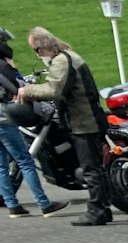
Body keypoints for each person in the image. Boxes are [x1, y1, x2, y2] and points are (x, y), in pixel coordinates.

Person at [12, 29, 107, 225]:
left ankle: (97, 211)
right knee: (93, 167)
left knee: (91, 169)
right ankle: (102, 209)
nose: (37, 55)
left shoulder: (62, 61)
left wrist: (27, 90)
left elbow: (55, 89)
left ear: (45, 45)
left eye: (37, 50)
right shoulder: (67, 56)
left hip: (84, 121)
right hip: (84, 118)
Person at [0, 34, 63, 217]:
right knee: (25, 161)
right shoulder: (3, 66)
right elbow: (16, 86)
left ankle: (13, 206)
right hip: (4, 118)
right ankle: (44, 204)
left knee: (2, 166)